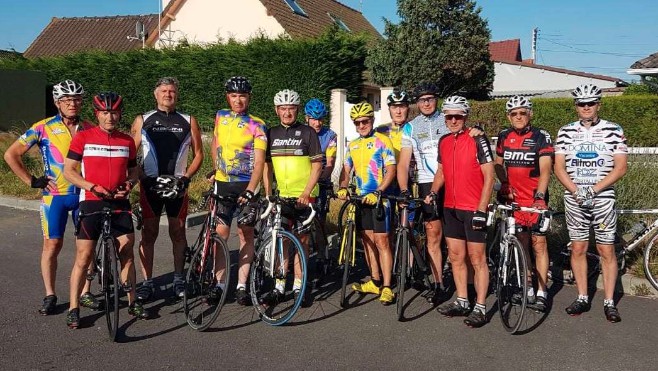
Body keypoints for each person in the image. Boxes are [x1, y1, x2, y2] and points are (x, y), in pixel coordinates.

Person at [3, 80, 98, 315]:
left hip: (84, 195)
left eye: (76, 99)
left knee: (86, 248)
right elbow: (11, 154)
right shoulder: (42, 127)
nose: (72, 104)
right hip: (54, 196)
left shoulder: (89, 127)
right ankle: (50, 293)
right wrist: (31, 180)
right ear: (57, 103)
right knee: (52, 244)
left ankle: (86, 291)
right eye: (67, 100)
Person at [63, 92, 149, 328]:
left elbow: (134, 171)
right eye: (105, 112)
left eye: (114, 112)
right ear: (97, 114)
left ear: (120, 113)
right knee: (83, 256)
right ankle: (73, 307)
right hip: (91, 200)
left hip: (119, 201)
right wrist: (91, 186)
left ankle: (132, 300)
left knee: (127, 250)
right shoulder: (83, 138)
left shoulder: (127, 141)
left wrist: (130, 184)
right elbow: (69, 171)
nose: (110, 117)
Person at [397, 82, 482, 304]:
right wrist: (405, 189)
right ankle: (438, 283)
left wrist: (478, 131)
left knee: (460, 238)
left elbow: (467, 136)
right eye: (422, 100)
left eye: (430, 98)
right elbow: (404, 163)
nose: (426, 103)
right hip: (427, 184)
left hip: (456, 184)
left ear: (437, 100)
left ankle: (470, 285)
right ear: (417, 103)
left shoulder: (448, 119)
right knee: (433, 236)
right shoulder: (410, 127)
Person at [554, 84, 627, 323]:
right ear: (576, 106)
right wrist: (576, 191)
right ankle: (583, 296)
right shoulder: (565, 131)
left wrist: (594, 189)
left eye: (591, 103)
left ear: (598, 104)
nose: (586, 108)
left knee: (606, 248)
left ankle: (609, 301)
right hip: (575, 197)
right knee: (578, 248)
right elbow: (559, 167)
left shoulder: (614, 129)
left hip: (603, 197)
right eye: (581, 104)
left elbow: (621, 167)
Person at [130, 77, 204, 301]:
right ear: (155, 94)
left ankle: (179, 278)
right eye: (163, 90)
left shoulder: (188, 120)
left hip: (177, 186)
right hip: (150, 184)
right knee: (149, 233)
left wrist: (186, 178)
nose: (168, 94)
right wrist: (143, 177)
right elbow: (131, 154)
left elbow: (199, 154)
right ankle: (147, 282)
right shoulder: (143, 119)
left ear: (177, 94)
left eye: (172, 91)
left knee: (178, 232)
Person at [430, 96, 494, 328]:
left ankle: (480, 306)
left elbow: (489, 175)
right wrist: (434, 192)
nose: (453, 120)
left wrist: (481, 208)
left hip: (472, 208)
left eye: (458, 116)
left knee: (477, 259)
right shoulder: (444, 141)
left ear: (465, 116)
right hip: (451, 208)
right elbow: (441, 171)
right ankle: (462, 300)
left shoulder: (477, 138)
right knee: (456, 257)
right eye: (449, 116)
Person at [208, 76, 268, 306]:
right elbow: (215, 142)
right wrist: (216, 167)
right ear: (228, 97)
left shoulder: (257, 124)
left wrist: (252, 189)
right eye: (234, 95)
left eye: (242, 95)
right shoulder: (220, 116)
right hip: (223, 184)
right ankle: (219, 283)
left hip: (245, 187)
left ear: (249, 98)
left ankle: (242, 286)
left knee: (246, 234)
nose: (238, 100)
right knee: (220, 237)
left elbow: (259, 162)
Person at [263, 89, 323, 307]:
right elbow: (266, 167)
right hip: (282, 197)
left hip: (304, 197)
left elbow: (317, 166)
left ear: (297, 110)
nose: (287, 112)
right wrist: (269, 193)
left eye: (291, 108)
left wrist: (307, 192)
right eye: (283, 108)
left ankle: (299, 284)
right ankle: (279, 286)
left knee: (302, 242)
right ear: (277, 110)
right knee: (282, 241)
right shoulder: (271, 133)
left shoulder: (308, 133)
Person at [495, 95, 554, 312]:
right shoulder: (504, 136)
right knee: (522, 243)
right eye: (514, 114)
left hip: (534, 199)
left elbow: (546, 169)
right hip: (514, 200)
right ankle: (527, 285)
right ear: (508, 117)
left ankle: (542, 291)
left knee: (539, 244)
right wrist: (503, 184)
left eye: (523, 113)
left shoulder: (540, 136)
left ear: (530, 114)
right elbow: (499, 164)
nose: (518, 117)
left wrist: (540, 196)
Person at [337, 102, 397, 305]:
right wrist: (343, 186)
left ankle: (388, 286)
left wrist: (379, 191)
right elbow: (346, 171)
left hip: (381, 200)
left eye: (365, 121)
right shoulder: (353, 144)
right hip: (361, 199)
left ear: (372, 120)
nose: (361, 125)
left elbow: (391, 170)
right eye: (357, 122)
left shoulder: (382, 141)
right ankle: (375, 280)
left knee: (382, 242)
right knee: (367, 241)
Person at [304, 98, 337, 223]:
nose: (317, 123)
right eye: (314, 119)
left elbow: (330, 162)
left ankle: (321, 240)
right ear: (307, 118)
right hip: (302, 181)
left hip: (321, 181)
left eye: (320, 119)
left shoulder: (330, 136)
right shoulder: (301, 132)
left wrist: (320, 180)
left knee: (319, 221)